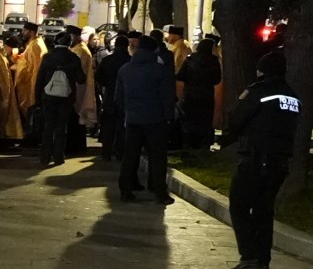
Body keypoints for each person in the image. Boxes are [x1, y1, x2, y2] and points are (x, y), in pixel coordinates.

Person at [219, 50, 300, 269]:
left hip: (256, 158)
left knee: (239, 204)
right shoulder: (291, 95)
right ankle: (262, 260)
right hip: (280, 161)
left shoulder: (259, 92)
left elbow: (237, 118)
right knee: (264, 210)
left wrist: (228, 138)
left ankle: (249, 256)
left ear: (263, 70)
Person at [116, 33, 176, 204]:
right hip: (156, 120)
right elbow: (167, 97)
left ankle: (125, 190)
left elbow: (118, 98)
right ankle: (159, 192)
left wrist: (129, 110)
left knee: (130, 156)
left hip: (133, 120)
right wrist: (169, 118)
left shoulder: (125, 69)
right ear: (154, 50)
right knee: (158, 157)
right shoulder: (160, 70)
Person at [33, 31, 84, 166]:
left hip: (48, 97)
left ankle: (45, 156)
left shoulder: (47, 57)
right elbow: (81, 79)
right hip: (66, 97)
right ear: (69, 43)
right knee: (61, 127)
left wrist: (37, 98)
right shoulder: (74, 57)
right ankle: (58, 156)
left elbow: (40, 79)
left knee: (48, 126)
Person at [177, 37, 223, 154]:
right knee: (205, 120)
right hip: (206, 95)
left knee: (190, 119)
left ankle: (189, 144)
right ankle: (204, 145)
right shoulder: (213, 61)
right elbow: (217, 79)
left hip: (190, 94)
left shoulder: (190, 59)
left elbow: (181, 76)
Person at [94, 31, 133, 162]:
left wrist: (108, 85)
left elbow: (98, 77)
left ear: (115, 45)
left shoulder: (107, 60)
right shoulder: (130, 61)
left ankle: (106, 151)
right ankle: (120, 152)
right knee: (122, 125)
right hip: (125, 97)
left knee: (108, 124)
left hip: (110, 95)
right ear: (127, 46)